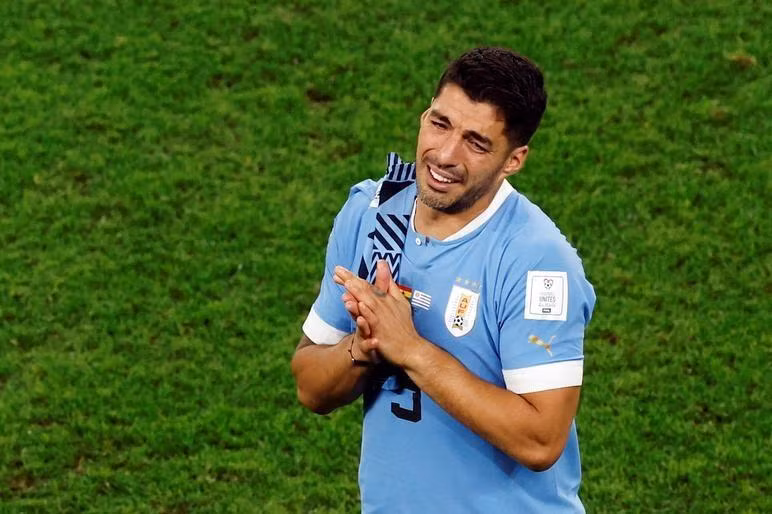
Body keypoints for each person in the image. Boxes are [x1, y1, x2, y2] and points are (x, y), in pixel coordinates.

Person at [291, 47, 596, 513]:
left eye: (476, 143)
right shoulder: (372, 214)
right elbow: (310, 387)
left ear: (514, 160)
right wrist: (364, 347)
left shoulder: (536, 262)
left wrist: (410, 348)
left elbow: (540, 441)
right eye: (440, 123)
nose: (445, 155)